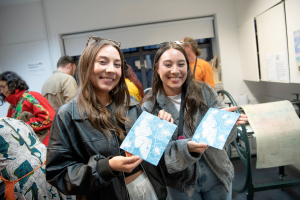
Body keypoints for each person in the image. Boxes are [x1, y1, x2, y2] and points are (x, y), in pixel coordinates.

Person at [46, 36, 169, 200]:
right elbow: (58, 174)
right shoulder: (67, 115)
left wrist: (158, 129)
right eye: (103, 62)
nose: (111, 69)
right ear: (87, 66)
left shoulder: (130, 103)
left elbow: (143, 153)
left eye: (117, 64)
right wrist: (107, 167)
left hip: (148, 187)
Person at [141, 42, 247, 200]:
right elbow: (154, 158)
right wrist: (187, 148)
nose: (175, 71)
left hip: (217, 175)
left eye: (181, 64)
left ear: (187, 67)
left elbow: (226, 140)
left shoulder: (204, 91)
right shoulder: (149, 106)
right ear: (157, 68)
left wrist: (224, 124)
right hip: (181, 185)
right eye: (168, 64)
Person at [0, 117, 74, 200]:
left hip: (26, 176)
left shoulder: (27, 104)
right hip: (50, 160)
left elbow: (47, 118)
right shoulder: (13, 120)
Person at [0, 71, 55, 146]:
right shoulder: (12, 106)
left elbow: (48, 118)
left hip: (44, 143)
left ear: (14, 84)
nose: (1, 91)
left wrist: (22, 126)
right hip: (29, 145)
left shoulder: (31, 96)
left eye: (3, 86)